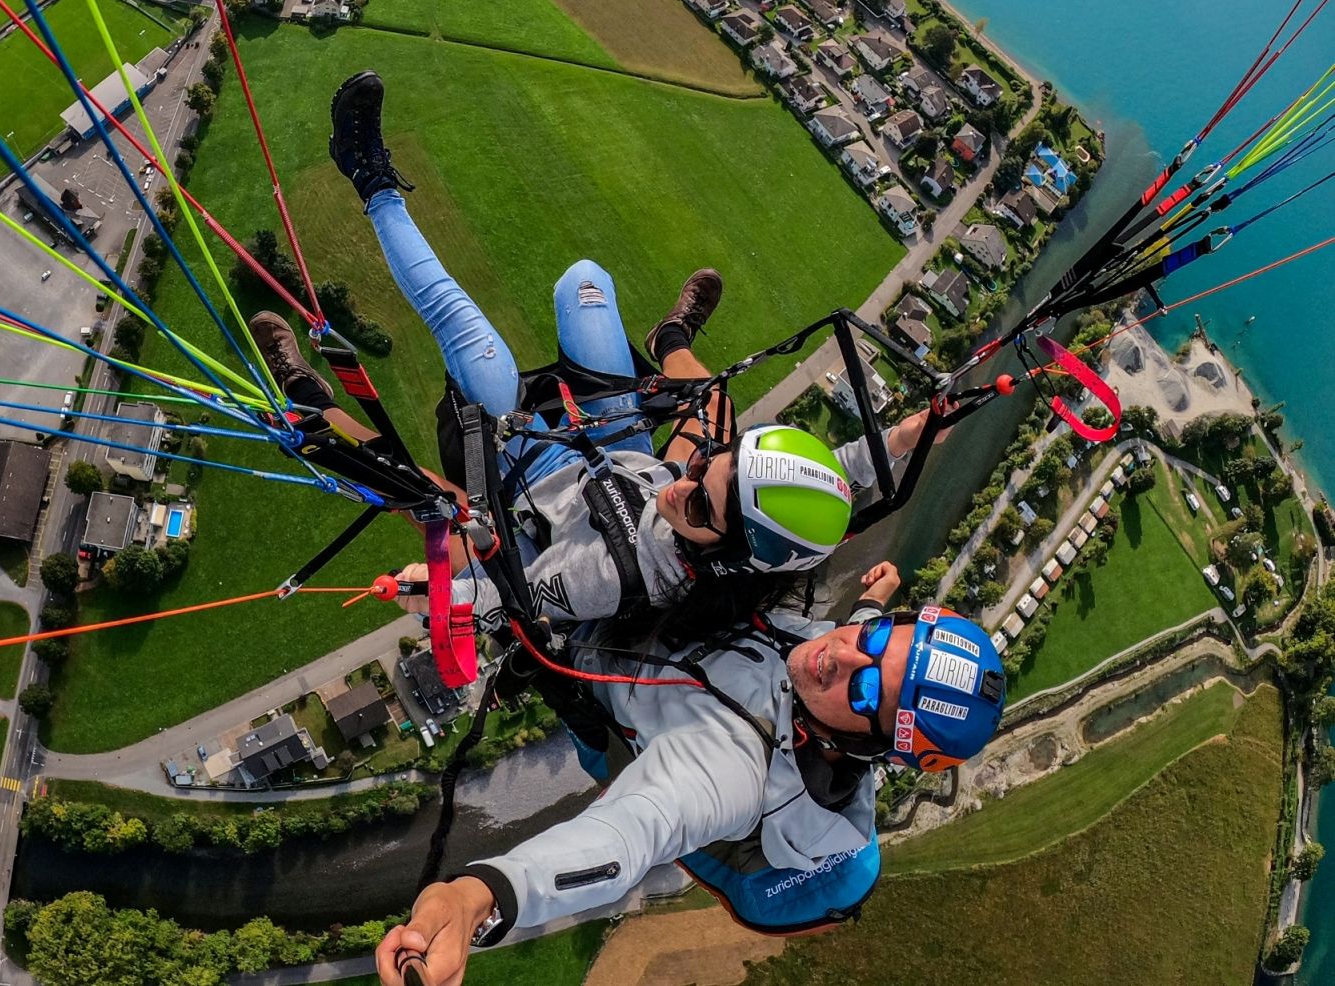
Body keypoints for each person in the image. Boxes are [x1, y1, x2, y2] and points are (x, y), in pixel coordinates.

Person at [251, 70, 944, 644]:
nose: (688, 481)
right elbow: (836, 478)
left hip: (522, 468)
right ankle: (670, 341)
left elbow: (506, 588)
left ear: (724, 554)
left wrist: (431, 594)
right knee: (585, 284)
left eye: (700, 505)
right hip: (617, 437)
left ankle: (365, 190)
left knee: (466, 350)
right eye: (708, 467)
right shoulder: (722, 501)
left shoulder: (606, 577)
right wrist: (914, 431)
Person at [374, 570, 1009, 986]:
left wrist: (481, 895)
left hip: (597, 689)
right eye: (873, 636)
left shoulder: (735, 773)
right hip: (641, 634)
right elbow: (848, 653)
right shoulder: (830, 679)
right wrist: (873, 601)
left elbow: (632, 836)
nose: (839, 654)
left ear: (869, 745)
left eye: (868, 685)